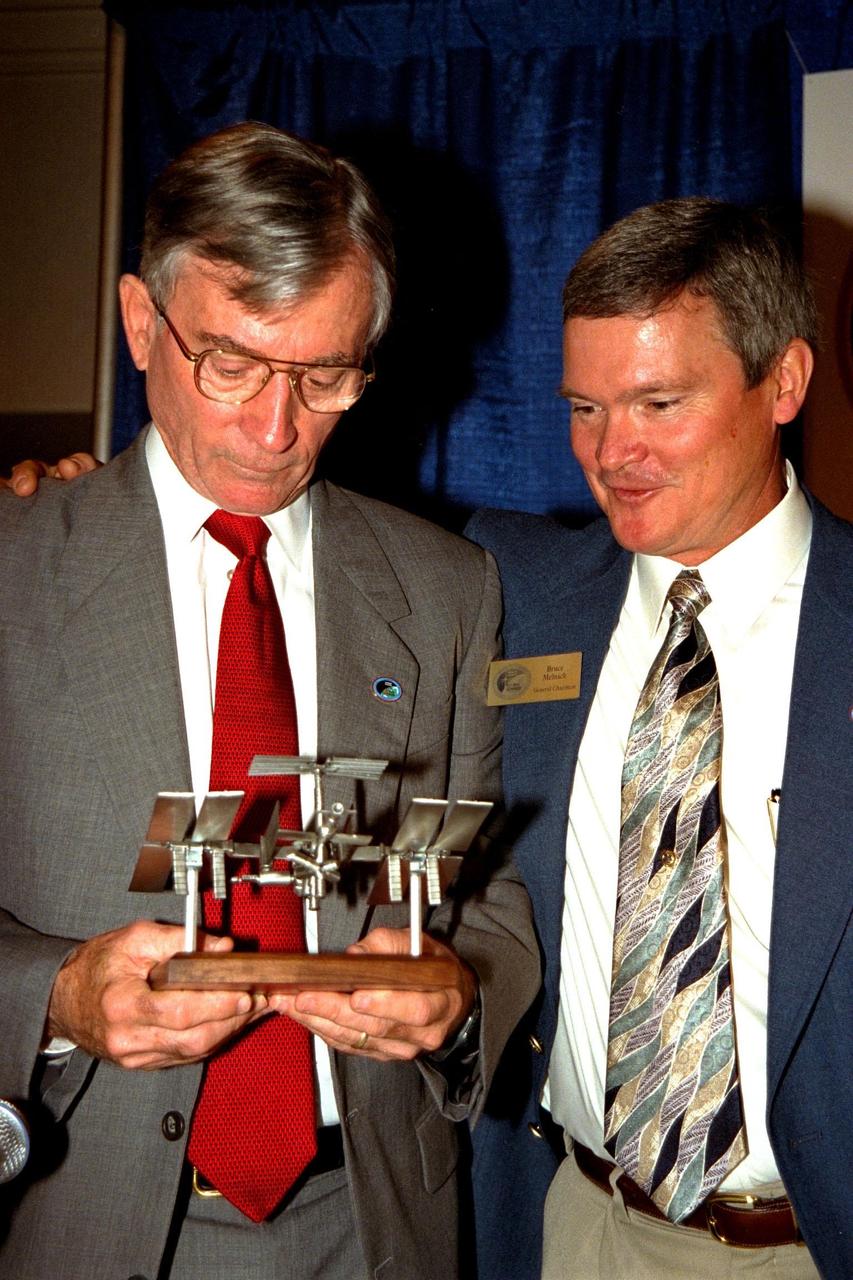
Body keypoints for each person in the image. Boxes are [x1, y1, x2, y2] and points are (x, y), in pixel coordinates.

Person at [0, 121, 538, 1280]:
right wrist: (51, 994)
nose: (275, 426)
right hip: (76, 1211)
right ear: (142, 323)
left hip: (374, 1222)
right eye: (233, 363)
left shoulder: (444, 589)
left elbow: (482, 887)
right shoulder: (10, 566)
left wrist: (460, 984)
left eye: (324, 375)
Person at [467, 198, 852, 1280]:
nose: (611, 451)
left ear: (782, 381)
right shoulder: (506, 590)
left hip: (809, 1241)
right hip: (574, 1221)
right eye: (584, 408)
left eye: (658, 401)